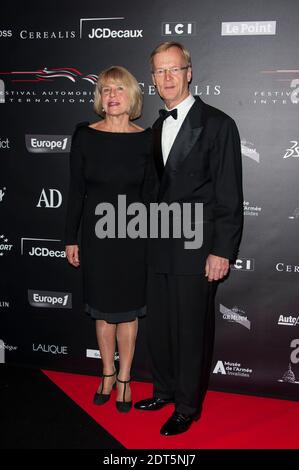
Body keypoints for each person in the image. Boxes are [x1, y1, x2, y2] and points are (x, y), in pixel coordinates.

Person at [134, 42, 243, 435]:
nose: (166, 78)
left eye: (174, 69)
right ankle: (163, 390)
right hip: (159, 244)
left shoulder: (218, 124)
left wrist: (222, 250)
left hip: (198, 250)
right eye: (159, 71)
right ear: (152, 79)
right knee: (160, 326)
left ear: (189, 72)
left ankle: (187, 405)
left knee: (191, 329)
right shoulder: (156, 127)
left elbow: (229, 195)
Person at [65, 66, 153, 413]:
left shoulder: (147, 139)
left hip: (132, 237)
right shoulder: (84, 135)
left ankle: (125, 379)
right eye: (105, 90)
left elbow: (150, 195)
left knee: (128, 313)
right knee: (102, 312)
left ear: (131, 96)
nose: (111, 96)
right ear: (99, 98)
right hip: (97, 237)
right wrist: (70, 238)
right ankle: (106, 372)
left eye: (118, 89)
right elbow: (76, 191)